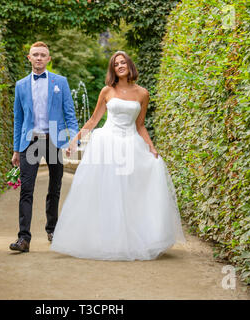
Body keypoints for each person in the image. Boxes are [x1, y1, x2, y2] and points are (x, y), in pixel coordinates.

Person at [50, 51, 186, 261]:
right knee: (106, 193)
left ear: (129, 65)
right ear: (113, 69)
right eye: (116, 64)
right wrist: (75, 140)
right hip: (107, 145)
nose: (120, 66)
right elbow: (94, 120)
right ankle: (104, 239)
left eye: (123, 62)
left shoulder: (143, 93)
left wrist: (151, 147)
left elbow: (140, 125)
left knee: (131, 193)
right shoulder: (107, 91)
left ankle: (133, 239)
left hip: (131, 145)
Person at [10, 41, 79, 253]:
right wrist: (16, 149)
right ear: (29, 58)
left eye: (43, 55)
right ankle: (24, 239)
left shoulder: (61, 82)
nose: (39, 58)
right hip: (29, 141)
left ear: (49, 59)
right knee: (26, 190)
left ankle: (53, 230)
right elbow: (18, 119)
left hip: (53, 139)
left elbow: (69, 114)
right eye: (35, 54)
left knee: (54, 188)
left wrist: (73, 140)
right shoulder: (21, 85)